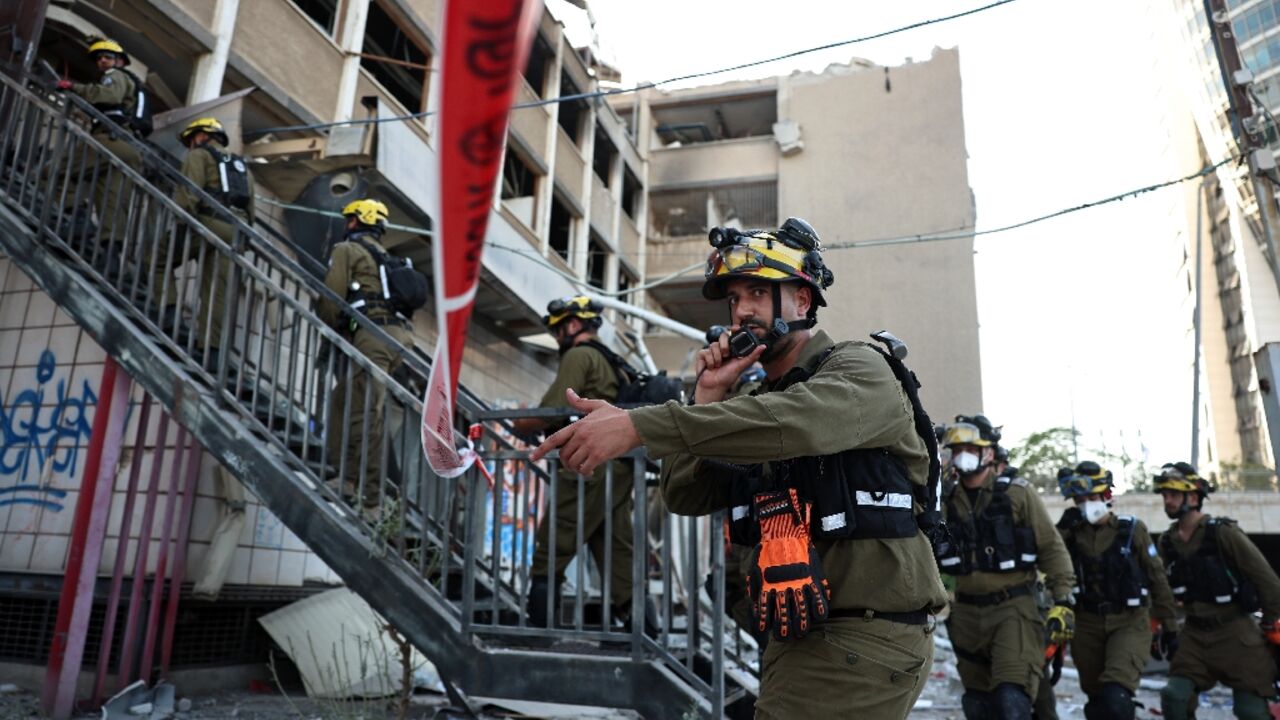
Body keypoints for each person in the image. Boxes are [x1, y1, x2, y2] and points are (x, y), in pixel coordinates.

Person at [532, 218, 949, 718]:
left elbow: (795, 423)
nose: (742, 310)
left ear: (802, 300)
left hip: (863, 634)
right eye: (733, 299)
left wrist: (643, 425)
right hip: (799, 634)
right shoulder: (750, 401)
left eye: (758, 291)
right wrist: (707, 392)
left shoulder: (858, 368)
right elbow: (687, 494)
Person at [936, 416, 1076, 720]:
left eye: (971, 448)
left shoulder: (1018, 494)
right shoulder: (944, 500)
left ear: (989, 453)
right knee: (978, 705)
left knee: (1011, 700)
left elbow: (1051, 548)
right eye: (958, 448)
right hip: (966, 615)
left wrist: (1063, 599)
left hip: (1013, 609)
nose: (963, 454)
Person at [510, 296, 637, 630]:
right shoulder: (614, 362)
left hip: (588, 466)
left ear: (572, 324)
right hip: (619, 468)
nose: (557, 338)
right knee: (616, 553)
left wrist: (518, 423)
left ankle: (539, 636)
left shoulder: (580, 355)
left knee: (553, 545)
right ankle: (646, 635)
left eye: (558, 330)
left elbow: (550, 408)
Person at [1154, 462, 1280, 720]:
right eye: (1165, 495)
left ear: (1193, 497)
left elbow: (1266, 579)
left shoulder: (1223, 533)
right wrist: (1161, 626)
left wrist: (1271, 623)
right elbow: (1162, 591)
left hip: (1237, 632)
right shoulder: (1168, 542)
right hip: (1194, 634)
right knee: (1174, 697)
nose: (1167, 501)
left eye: (1174, 495)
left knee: (1252, 711)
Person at [1055, 461, 1175, 720]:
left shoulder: (1133, 530)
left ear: (1106, 495)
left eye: (1091, 496)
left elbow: (1157, 579)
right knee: (1097, 703)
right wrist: (1062, 530)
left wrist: (1170, 626)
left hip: (1129, 622)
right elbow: (1049, 563)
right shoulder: (1070, 534)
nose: (1085, 503)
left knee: (1116, 698)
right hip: (1086, 624)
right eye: (1079, 499)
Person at [316, 199, 413, 516]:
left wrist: (330, 329)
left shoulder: (348, 250)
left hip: (373, 336)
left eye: (350, 218)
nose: (347, 223)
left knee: (365, 416)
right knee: (346, 402)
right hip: (396, 337)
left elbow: (332, 296)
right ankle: (348, 479)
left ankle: (369, 498)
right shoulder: (384, 256)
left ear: (359, 220)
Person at [162, 117, 256, 365]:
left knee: (156, 258)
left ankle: (169, 312)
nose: (191, 146)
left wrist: (181, 223)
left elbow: (189, 192)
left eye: (192, 140)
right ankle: (211, 351)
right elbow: (252, 209)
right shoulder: (242, 167)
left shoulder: (199, 156)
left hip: (206, 222)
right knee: (217, 291)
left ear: (201, 136)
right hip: (235, 231)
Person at [54, 39, 143, 247]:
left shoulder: (115, 76)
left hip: (110, 138)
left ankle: (79, 220)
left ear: (119, 61)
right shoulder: (133, 82)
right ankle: (110, 255)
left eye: (108, 57)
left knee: (56, 172)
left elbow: (110, 97)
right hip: (129, 146)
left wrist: (74, 87)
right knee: (112, 201)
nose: (102, 61)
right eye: (99, 58)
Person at [993, 450, 1059, 720]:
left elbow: (1052, 553)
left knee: (1035, 689)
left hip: (1029, 612)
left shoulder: (1019, 496)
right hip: (979, 620)